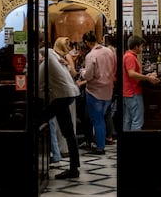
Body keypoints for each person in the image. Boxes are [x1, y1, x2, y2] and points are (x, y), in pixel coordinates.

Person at [39, 46, 81, 179]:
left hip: (61, 96)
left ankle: (41, 164)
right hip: (68, 95)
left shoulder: (47, 61)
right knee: (69, 132)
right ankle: (74, 168)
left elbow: (38, 84)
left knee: (38, 123)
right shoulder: (55, 58)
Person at [79, 31, 117, 155]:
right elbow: (114, 69)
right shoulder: (109, 52)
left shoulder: (91, 55)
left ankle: (100, 147)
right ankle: (101, 141)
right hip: (108, 90)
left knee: (98, 119)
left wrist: (82, 72)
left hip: (95, 91)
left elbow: (89, 76)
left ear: (86, 42)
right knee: (103, 117)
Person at [123, 35, 160, 131]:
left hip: (128, 92)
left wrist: (146, 75)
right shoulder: (130, 57)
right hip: (133, 92)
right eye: (142, 46)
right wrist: (147, 78)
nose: (142, 48)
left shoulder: (127, 56)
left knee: (128, 120)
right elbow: (131, 74)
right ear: (136, 46)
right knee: (137, 121)